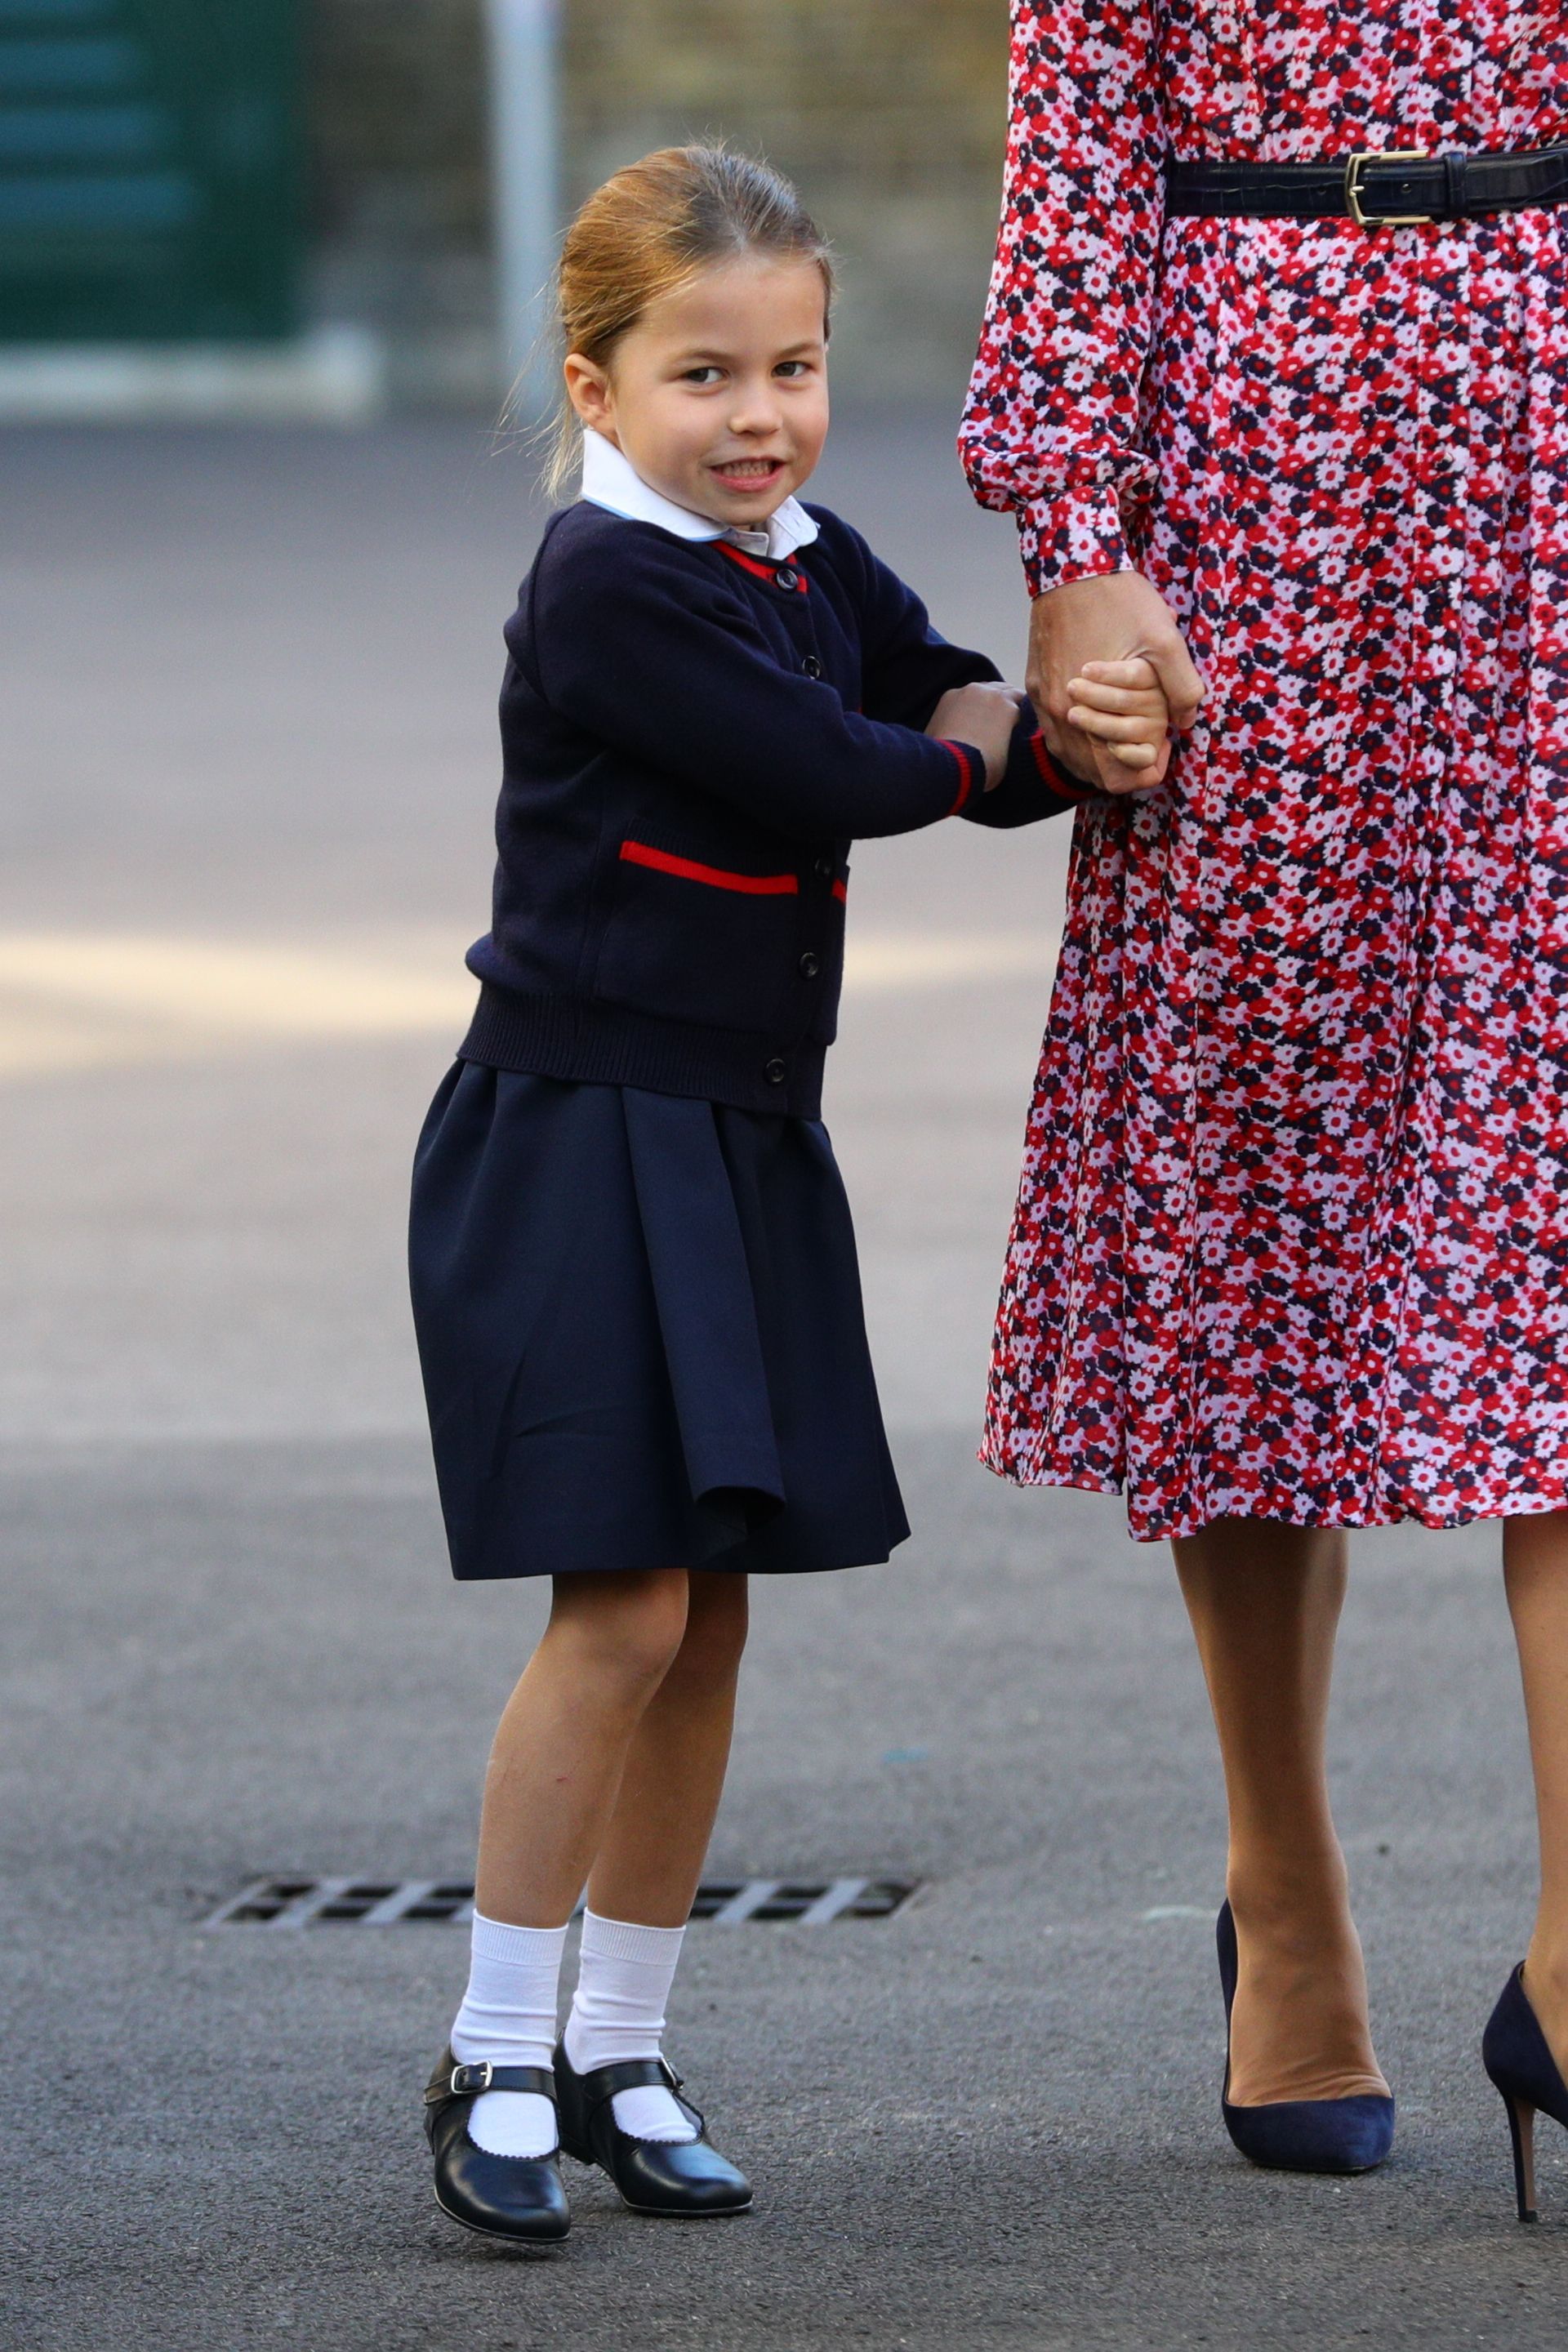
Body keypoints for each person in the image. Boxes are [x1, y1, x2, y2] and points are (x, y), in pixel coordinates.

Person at [408, 142, 1169, 2251]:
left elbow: (921, 677)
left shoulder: (797, 550)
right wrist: (1048, 749)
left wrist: (1042, 729)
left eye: (799, 366)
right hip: (578, 1133)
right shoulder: (610, 583)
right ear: (597, 384)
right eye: (705, 375)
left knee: (714, 1608)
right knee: (623, 1605)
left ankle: (620, 2047)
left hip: (740, 1133)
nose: (759, 417)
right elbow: (849, 763)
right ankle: (489, 2051)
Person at [960, 2, 1568, 2213]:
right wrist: (1075, 541)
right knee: (1259, 1187)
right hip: (1242, 491)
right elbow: (1074, 163)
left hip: (1545, 444)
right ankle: (1287, 1892)